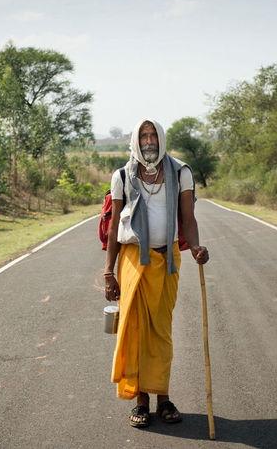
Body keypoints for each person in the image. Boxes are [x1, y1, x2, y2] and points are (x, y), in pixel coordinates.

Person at [104, 118, 209, 428]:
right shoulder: (122, 175)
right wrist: (109, 272)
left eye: (153, 135)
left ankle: (163, 398)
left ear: (161, 140)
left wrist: (197, 248)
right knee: (134, 330)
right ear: (137, 141)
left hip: (167, 260)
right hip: (134, 259)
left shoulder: (181, 172)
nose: (149, 141)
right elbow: (113, 227)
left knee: (161, 332)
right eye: (143, 135)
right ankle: (140, 401)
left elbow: (188, 218)